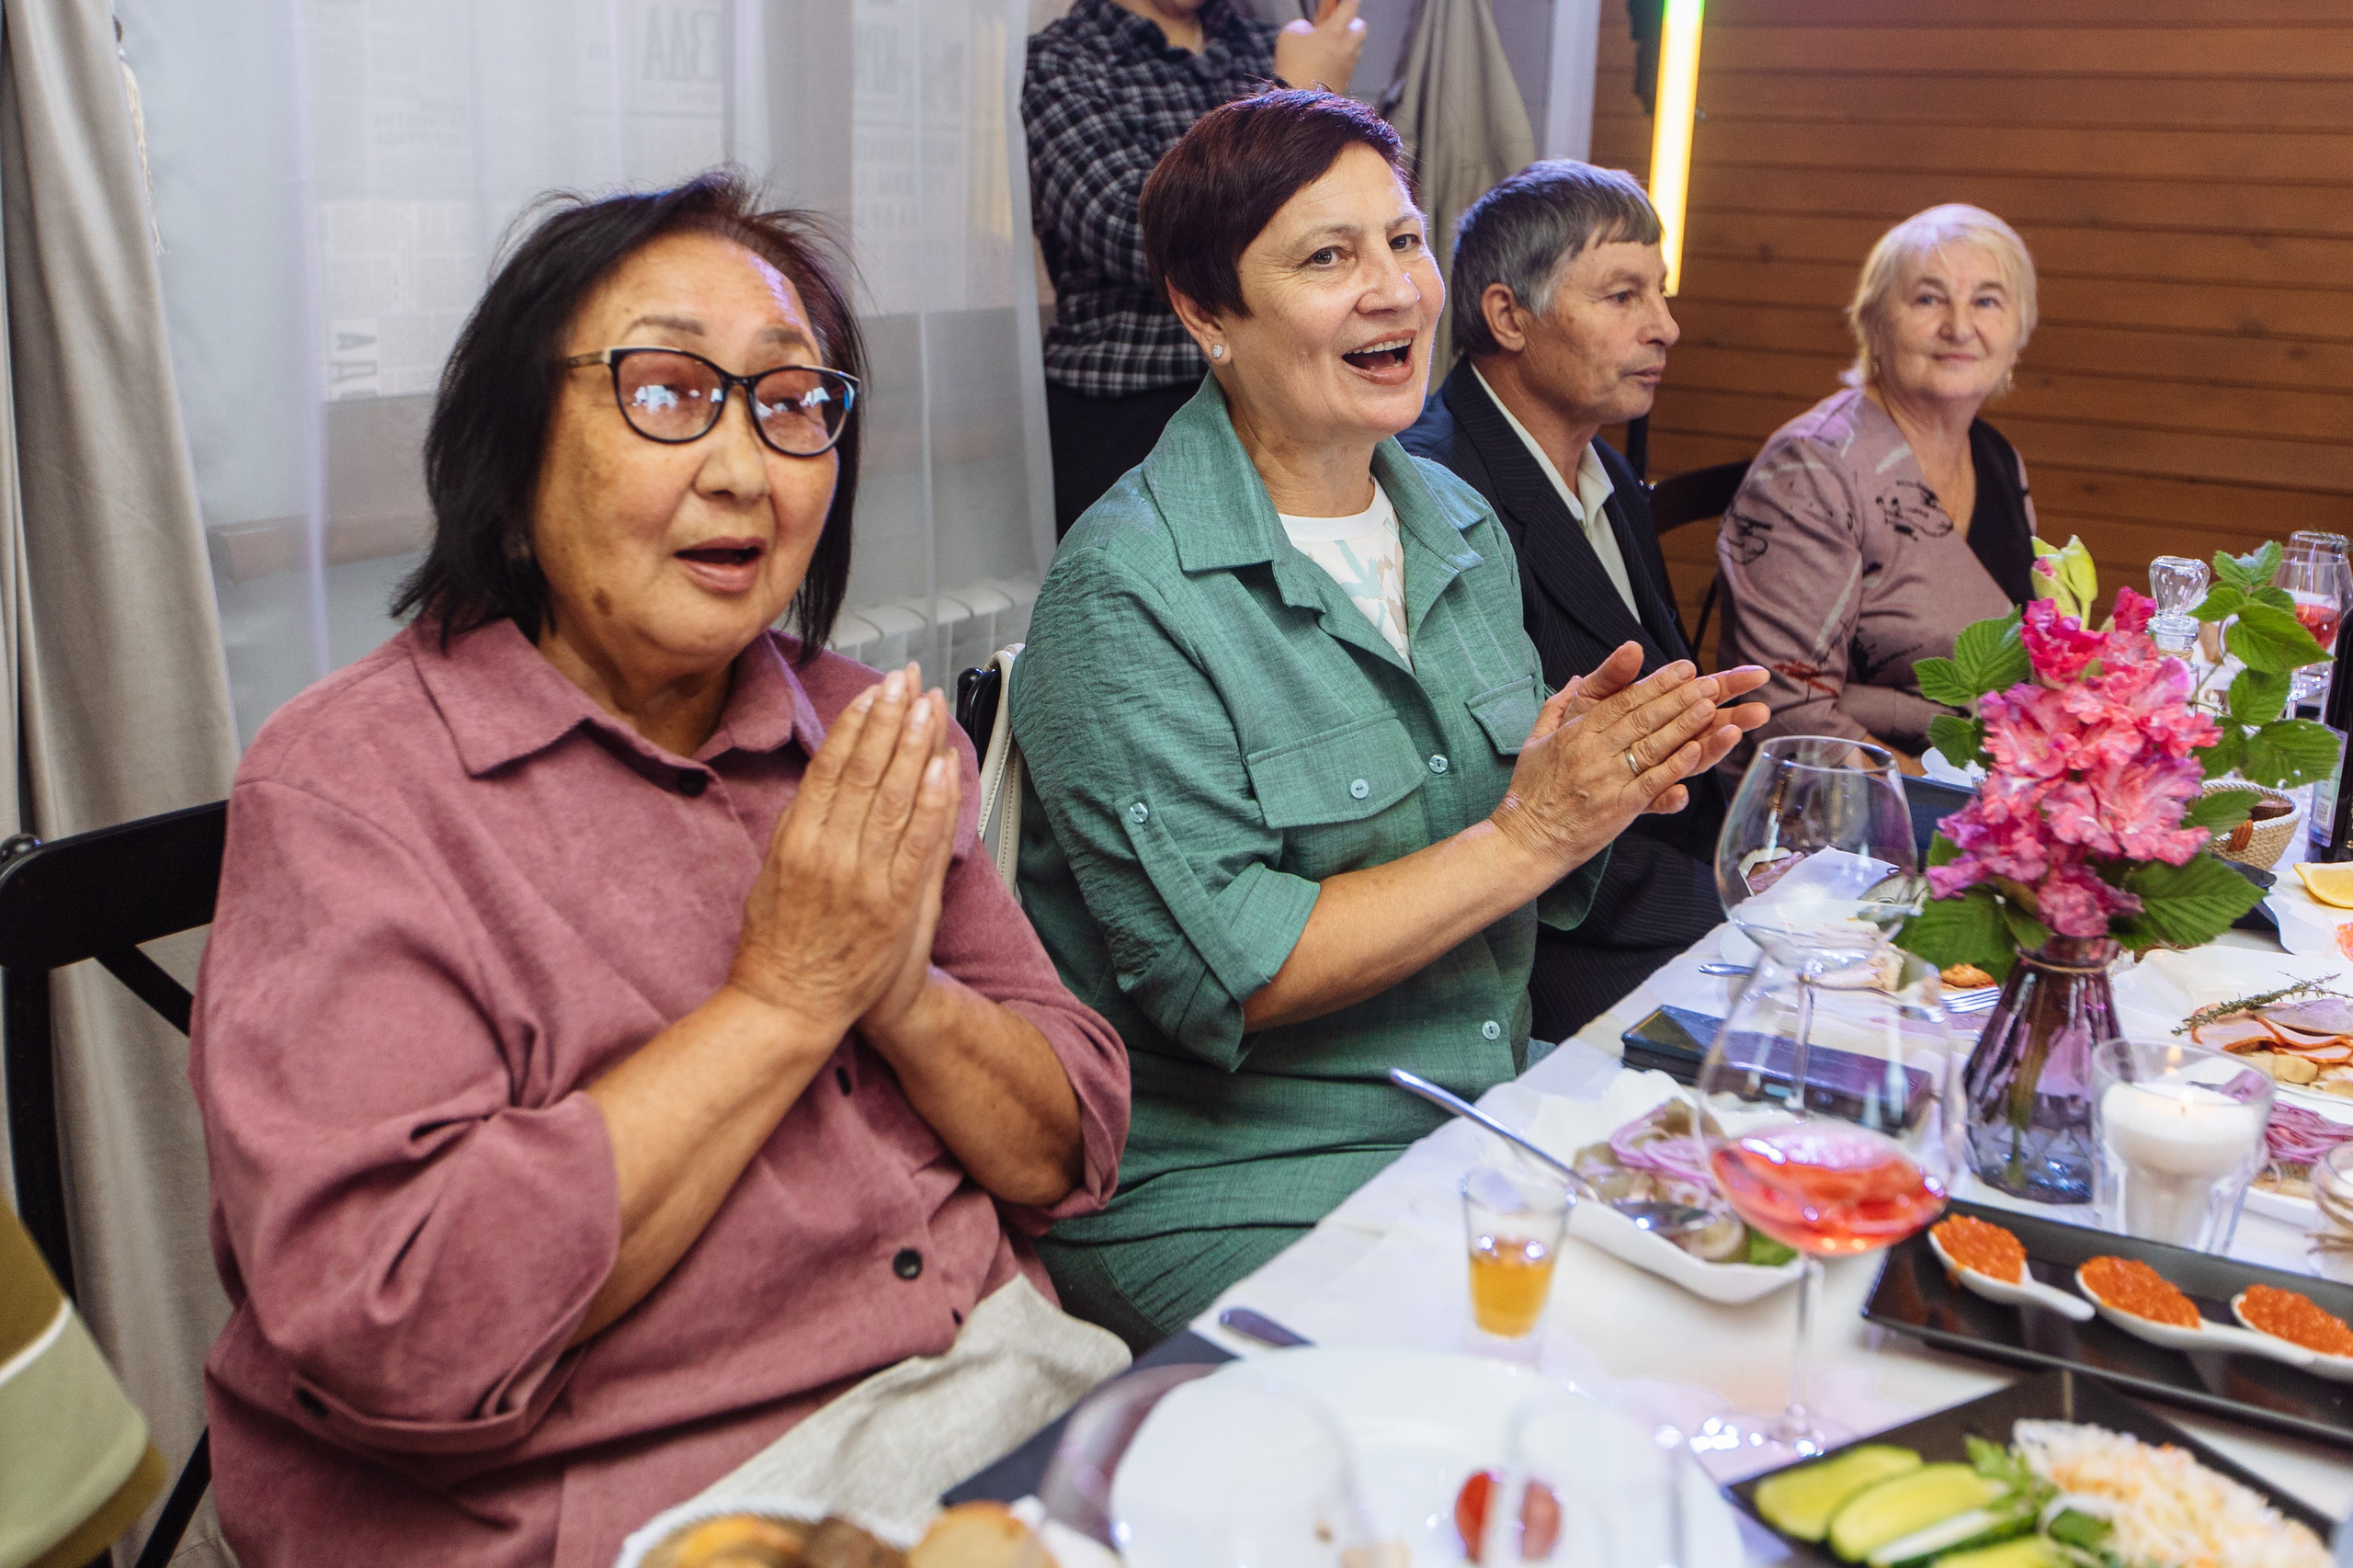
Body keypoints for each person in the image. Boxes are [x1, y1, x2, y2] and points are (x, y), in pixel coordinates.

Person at [187, 176, 1131, 1568]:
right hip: (640, 1504)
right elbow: (401, 1320)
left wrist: (900, 993)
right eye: (670, 392)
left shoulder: (859, 732)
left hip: (1000, 1399)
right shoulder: (354, 787)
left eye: (791, 403)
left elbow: (1070, 1146)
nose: (745, 468)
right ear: (512, 457)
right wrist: (786, 996)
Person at [1010, 91, 1769, 1348]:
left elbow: (1517, 861)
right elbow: (1236, 972)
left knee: (1758, 1289)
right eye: (1328, 257)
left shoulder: (1458, 524)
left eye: (1404, 242)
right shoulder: (1128, 589)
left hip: (1477, 1113)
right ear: (1205, 313)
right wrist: (1532, 830)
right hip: (1243, 1179)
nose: (1396, 291)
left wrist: (1594, 787)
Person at [1401, 161, 1722, 1040]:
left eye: (1659, 293)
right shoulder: (1434, 487)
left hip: (1659, 887)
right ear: (1509, 317)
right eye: (1623, 296)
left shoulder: (1604, 467)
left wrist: (1766, 863)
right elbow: (1488, 797)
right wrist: (1731, 900)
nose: (1666, 327)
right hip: (1539, 947)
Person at [1716, 203, 2040, 773]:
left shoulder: (1997, 458)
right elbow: (1786, 711)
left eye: (1987, 301)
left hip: (1978, 779)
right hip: (1833, 796)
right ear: (1872, 322)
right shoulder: (1811, 469)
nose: (1959, 327)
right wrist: (1948, 800)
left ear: (2018, 332)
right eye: (1929, 299)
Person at [1025, 0, 1366, 535]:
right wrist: (1293, 97)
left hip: (1272, 390)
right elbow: (1129, 231)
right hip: (1128, 405)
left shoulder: (1262, 42)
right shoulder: (1062, 60)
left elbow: (1334, 216)